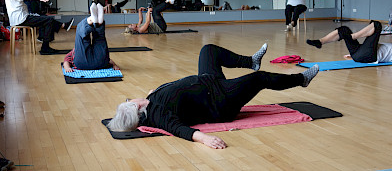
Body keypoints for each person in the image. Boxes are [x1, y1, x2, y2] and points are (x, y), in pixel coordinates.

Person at [107, 43, 320, 149]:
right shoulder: (158, 115)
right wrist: (205, 139)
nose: (131, 99)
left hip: (209, 81)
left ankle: (250, 61)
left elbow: (164, 92)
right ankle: (301, 79)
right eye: (129, 102)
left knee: (208, 50)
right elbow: (178, 129)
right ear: (137, 109)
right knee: (259, 79)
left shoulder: (150, 100)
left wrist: (153, 93)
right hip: (221, 101)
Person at [3, 0, 74, 54]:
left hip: (21, 17)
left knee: (47, 20)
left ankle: (59, 29)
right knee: (49, 20)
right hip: (21, 18)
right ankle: (46, 47)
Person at [306, 21, 392, 70]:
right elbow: (370, 45)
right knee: (343, 30)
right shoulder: (388, 46)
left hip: (369, 57)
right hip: (359, 54)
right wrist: (351, 55)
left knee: (377, 25)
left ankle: (354, 36)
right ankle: (320, 42)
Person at [63, 3, 119, 72]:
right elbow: (109, 60)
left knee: (98, 38)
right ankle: (92, 20)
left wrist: (67, 68)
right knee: (93, 38)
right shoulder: (75, 51)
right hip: (100, 63)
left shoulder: (74, 52)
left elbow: (66, 60)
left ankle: (96, 21)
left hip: (85, 63)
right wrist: (114, 65)